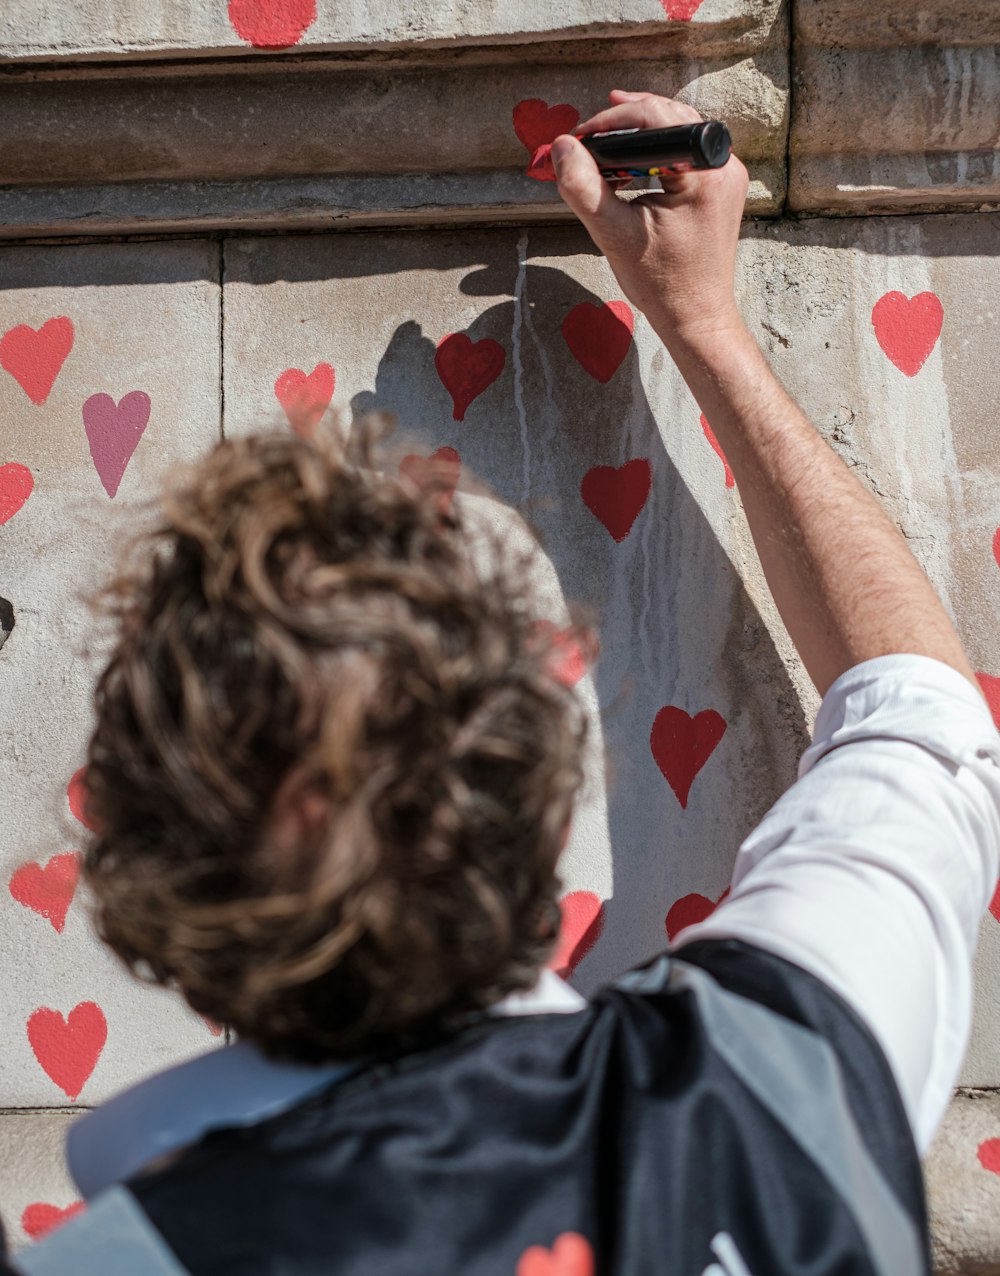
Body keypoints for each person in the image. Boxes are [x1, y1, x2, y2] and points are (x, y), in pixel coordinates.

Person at [7, 91, 999, 1276]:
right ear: (546, 773)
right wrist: (701, 322)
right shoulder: (786, 1058)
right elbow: (919, 706)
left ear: (115, 838)